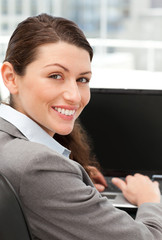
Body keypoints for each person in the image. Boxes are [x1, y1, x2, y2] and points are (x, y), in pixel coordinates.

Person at [0, 13, 161, 240]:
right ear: (10, 77)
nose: (75, 96)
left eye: (82, 79)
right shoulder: (38, 166)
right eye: (55, 75)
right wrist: (150, 199)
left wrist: (73, 184)